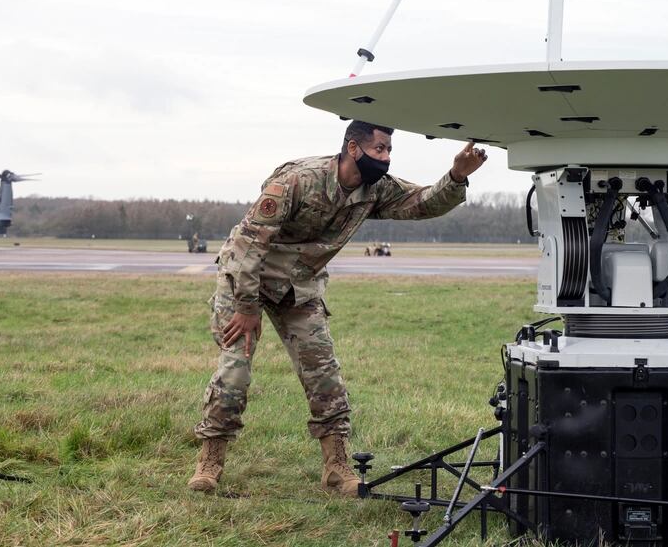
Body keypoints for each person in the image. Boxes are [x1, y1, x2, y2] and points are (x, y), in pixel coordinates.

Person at [188, 120, 487, 495]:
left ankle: (336, 467)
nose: (386, 158)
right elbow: (250, 244)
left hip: (297, 286)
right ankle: (210, 460)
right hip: (246, 279)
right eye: (379, 149)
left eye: (389, 151)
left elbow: (421, 203)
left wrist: (457, 176)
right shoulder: (299, 180)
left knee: (324, 375)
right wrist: (247, 306)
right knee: (235, 371)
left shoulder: (375, 188)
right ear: (352, 148)